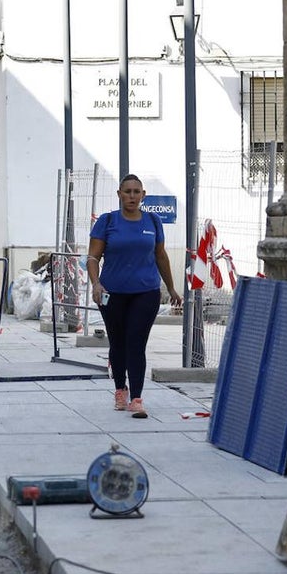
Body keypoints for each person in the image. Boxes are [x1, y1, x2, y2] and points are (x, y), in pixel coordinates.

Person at [87, 174, 182, 419]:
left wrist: (171, 288)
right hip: (111, 293)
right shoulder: (108, 222)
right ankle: (120, 389)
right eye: (127, 191)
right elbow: (92, 258)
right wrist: (96, 284)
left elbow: (161, 256)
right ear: (119, 194)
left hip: (146, 292)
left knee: (136, 344)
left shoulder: (153, 221)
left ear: (143, 195)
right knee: (118, 343)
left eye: (136, 192)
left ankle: (137, 398)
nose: (131, 196)